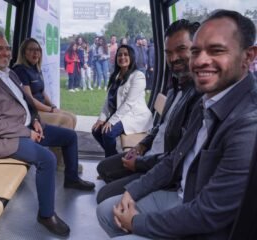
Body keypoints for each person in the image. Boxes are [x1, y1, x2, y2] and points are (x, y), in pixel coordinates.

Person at [97, 9, 257, 239]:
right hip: (184, 195)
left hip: (204, 222)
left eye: (216, 50)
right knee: (107, 211)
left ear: (249, 56)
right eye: (195, 51)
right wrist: (132, 192)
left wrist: (136, 223)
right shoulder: (207, 99)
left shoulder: (248, 122)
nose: (200, 60)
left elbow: (208, 214)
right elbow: (175, 157)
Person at [0, 31, 95, 237]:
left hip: (29, 127)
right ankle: (46, 214)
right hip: (8, 138)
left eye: (7, 48)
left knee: (69, 137)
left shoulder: (10, 74)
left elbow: (28, 102)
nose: (6, 53)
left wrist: (35, 121)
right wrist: (27, 132)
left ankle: (71, 178)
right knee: (47, 159)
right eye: (0, 48)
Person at [96, 19, 202, 204]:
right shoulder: (175, 87)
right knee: (103, 167)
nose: (173, 57)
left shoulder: (197, 97)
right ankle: (124, 183)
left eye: (181, 49)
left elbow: (176, 157)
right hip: (149, 153)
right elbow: (160, 127)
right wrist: (141, 146)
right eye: (168, 53)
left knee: (103, 196)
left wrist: (139, 163)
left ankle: (128, 192)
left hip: (158, 163)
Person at [91, 45, 153, 158]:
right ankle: (115, 159)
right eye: (119, 55)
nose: (122, 57)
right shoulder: (116, 76)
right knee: (96, 130)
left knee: (108, 133)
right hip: (122, 114)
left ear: (132, 57)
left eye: (126, 54)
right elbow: (108, 100)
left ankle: (109, 167)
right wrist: (101, 119)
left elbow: (129, 103)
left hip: (135, 116)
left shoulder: (138, 76)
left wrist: (111, 121)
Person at [12, 38, 77, 129]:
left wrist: (52, 106)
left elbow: (42, 92)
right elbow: (29, 99)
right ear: (23, 52)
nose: (35, 53)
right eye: (31, 50)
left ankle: (63, 141)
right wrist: (50, 110)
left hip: (43, 109)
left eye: (38, 50)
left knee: (73, 117)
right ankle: (59, 142)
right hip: (32, 112)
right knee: (67, 120)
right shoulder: (20, 70)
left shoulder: (36, 69)